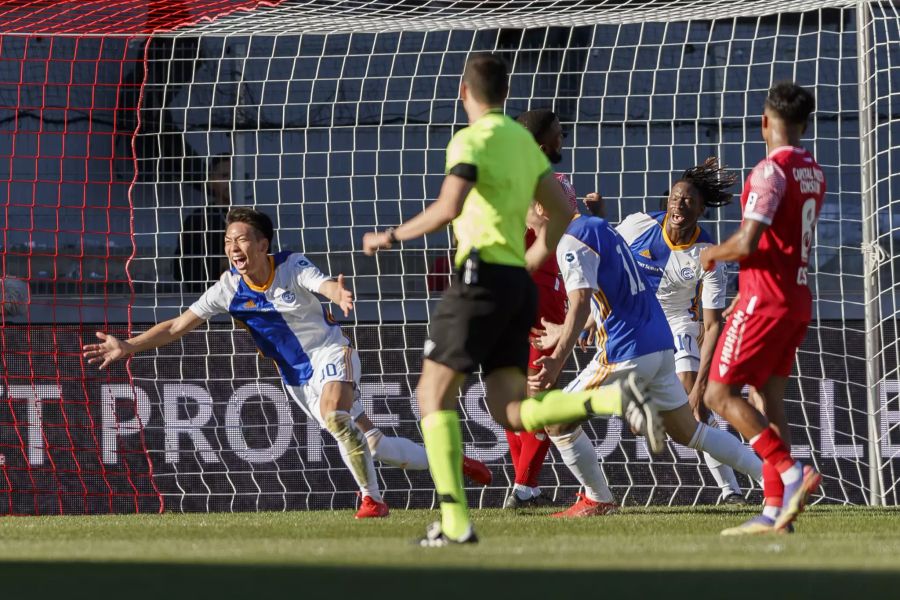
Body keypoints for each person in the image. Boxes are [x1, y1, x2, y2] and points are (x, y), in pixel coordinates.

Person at [362, 52, 660, 546]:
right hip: (517, 287)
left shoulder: (472, 138)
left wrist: (389, 237)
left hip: (479, 281)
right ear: (505, 93)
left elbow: (448, 207)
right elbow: (564, 213)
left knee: (432, 395)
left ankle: (455, 523)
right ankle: (615, 397)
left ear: (464, 92)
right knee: (511, 410)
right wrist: (531, 260)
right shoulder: (524, 143)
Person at [84, 207, 492, 520]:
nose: (233, 249)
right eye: (228, 242)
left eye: (241, 240)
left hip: (333, 353)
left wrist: (336, 293)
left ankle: (373, 501)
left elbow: (322, 282)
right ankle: (448, 460)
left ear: (263, 245)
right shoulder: (228, 288)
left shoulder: (291, 265)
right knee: (374, 444)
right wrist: (130, 345)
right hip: (297, 380)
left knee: (336, 417)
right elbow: (178, 325)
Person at [530, 213, 763, 516]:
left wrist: (557, 358)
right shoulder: (601, 227)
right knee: (690, 431)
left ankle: (598, 498)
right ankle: (774, 480)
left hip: (627, 350)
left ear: (541, 208)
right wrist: (566, 331)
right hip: (660, 344)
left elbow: (580, 301)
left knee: (555, 418)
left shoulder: (572, 241)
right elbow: (610, 293)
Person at [701, 81, 825, 535]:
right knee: (768, 399)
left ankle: (792, 474)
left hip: (764, 299)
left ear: (764, 123)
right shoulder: (813, 169)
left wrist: (712, 253)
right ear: (805, 124)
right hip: (797, 299)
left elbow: (749, 243)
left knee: (719, 395)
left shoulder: (770, 171)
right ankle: (776, 513)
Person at [615, 157, 754, 505]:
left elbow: (711, 325)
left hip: (677, 327)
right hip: (632, 326)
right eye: (676, 197)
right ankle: (593, 493)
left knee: (694, 414)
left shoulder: (707, 255)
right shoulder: (637, 225)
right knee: (610, 408)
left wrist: (700, 390)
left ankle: (732, 492)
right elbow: (604, 256)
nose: (679, 203)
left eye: (688, 200)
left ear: (701, 209)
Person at [503, 108, 578, 510]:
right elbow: (576, 231)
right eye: (559, 134)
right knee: (536, 393)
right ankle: (524, 487)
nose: (562, 141)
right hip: (542, 291)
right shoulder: (554, 184)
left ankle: (524, 486)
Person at [174, 155, 232, 292]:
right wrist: (218, 265)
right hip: (206, 297)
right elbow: (181, 267)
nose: (231, 181)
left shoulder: (255, 219)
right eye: (225, 175)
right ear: (211, 181)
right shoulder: (197, 220)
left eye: (236, 174)